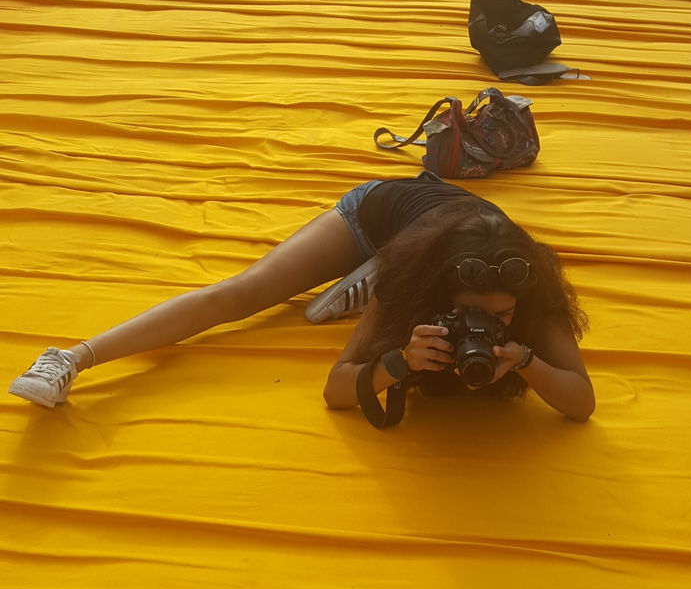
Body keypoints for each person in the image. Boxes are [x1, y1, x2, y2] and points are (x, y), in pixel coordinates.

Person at [8, 174, 595, 424]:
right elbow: (339, 387)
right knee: (247, 292)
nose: (489, 325)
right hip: (379, 217)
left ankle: (356, 286)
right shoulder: (412, 285)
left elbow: (581, 402)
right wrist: (398, 362)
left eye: (500, 316)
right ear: (438, 294)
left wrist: (523, 358)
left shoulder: (522, 288)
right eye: (476, 313)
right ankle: (73, 357)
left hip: (437, 240)